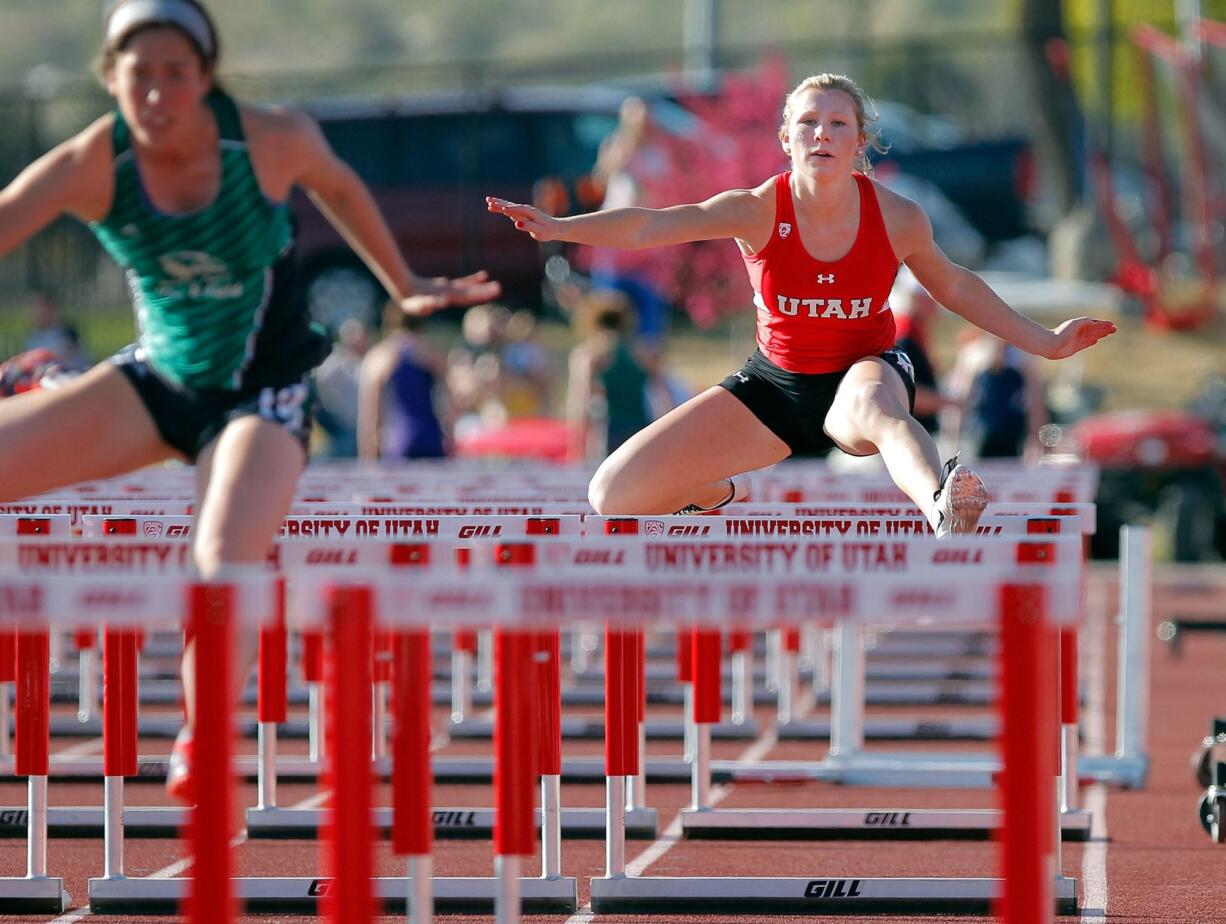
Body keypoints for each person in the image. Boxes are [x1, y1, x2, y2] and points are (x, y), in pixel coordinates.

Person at [0, 0, 500, 802]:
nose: (157, 95)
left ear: (205, 78)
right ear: (110, 80)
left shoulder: (270, 139)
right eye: (140, 77)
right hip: (158, 383)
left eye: (175, 75)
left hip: (262, 394)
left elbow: (339, 187)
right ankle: (49, 390)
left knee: (220, 556)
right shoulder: (90, 163)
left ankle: (201, 733)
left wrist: (401, 282)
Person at [488, 72, 1115, 530]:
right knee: (611, 494)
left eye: (837, 123)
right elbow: (653, 223)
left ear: (859, 142)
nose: (822, 134)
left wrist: (1047, 341)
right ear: (787, 139)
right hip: (774, 386)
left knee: (875, 404)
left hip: (861, 373)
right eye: (809, 124)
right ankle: (712, 493)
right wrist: (563, 227)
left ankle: (942, 502)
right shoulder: (758, 208)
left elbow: (953, 286)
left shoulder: (896, 216)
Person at [566, 291, 656, 460]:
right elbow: (665, 397)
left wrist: (577, 447)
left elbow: (581, 402)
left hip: (610, 430)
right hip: (643, 428)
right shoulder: (643, 353)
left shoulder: (590, 355)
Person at [357, 302, 450, 460]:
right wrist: (450, 438)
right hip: (432, 438)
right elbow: (448, 402)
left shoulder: (379, 357)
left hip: (396, 441)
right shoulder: (432, 353)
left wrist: (368, 456)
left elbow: (370, 413)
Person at [313, 317, 371, 458]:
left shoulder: (368, 360)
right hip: (344, 427)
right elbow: (316, 383)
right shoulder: (336, 361)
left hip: (363, 426)